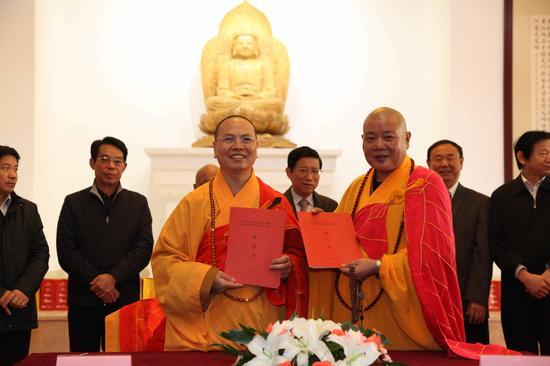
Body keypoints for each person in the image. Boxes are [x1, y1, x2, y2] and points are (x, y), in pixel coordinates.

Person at [309, 107, 464, 351]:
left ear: (407, 138)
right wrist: (318, 226)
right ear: (362, 142)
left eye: (388, 137)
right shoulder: (356, 186)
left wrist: (379, 266)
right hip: (354, 317)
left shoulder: (425, 184)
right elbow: (338, 245)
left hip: (405, 320)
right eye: (370, 138)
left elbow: (435, 256)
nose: (378, 145)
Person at [152, 115, 308, 351]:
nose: (238, 146)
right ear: (214, 149)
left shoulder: (276, 202)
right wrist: (204, 279)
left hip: (264, 326)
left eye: (246, 139)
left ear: (256, 147)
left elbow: (300, 258)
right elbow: (165, 261)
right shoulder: (194, 203)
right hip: (207, 327)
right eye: (228, 139)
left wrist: (289, 264)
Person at [57, 136, 153, 352]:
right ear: (92, 163)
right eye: (105, 159)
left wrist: (113, 278)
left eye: (117, 161)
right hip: (84, 300)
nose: (111, 166)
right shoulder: (73, 203)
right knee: (83, 359)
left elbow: (143, 248)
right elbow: (66, 251)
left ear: (124, 167)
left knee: (123, 358)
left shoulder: (137, 203)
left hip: (124, 299)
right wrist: (98, 282)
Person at [489, 130, 550, 355]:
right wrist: (524, 275)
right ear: (522, 157)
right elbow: (496, 243)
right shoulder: (502, 196)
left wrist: (547, 275)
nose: (549, 158)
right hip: (517, 290)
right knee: (521, 356)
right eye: (543, 153)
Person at [427, 139, 492, 344]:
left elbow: (483, 253)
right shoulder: (418, 200)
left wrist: (478, 299)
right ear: (428, 164)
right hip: (428, 298)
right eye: (438, 159)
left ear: (461, 162)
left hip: (466, 301)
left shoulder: (480, 202)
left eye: (451, 158)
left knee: (469, 355)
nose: (445, 164)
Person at [0, 146, 49, 366]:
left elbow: (41, 254)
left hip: (19, 314)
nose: (13, 175)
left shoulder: (28, 210)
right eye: (5, 168)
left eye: (16, 169)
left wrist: (23, 290)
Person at [284, 146, 338, 216]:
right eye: (303, 170)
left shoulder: (331, 206)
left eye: (315, 171)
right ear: (289, 172)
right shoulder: (276, 205)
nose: (309, 178)